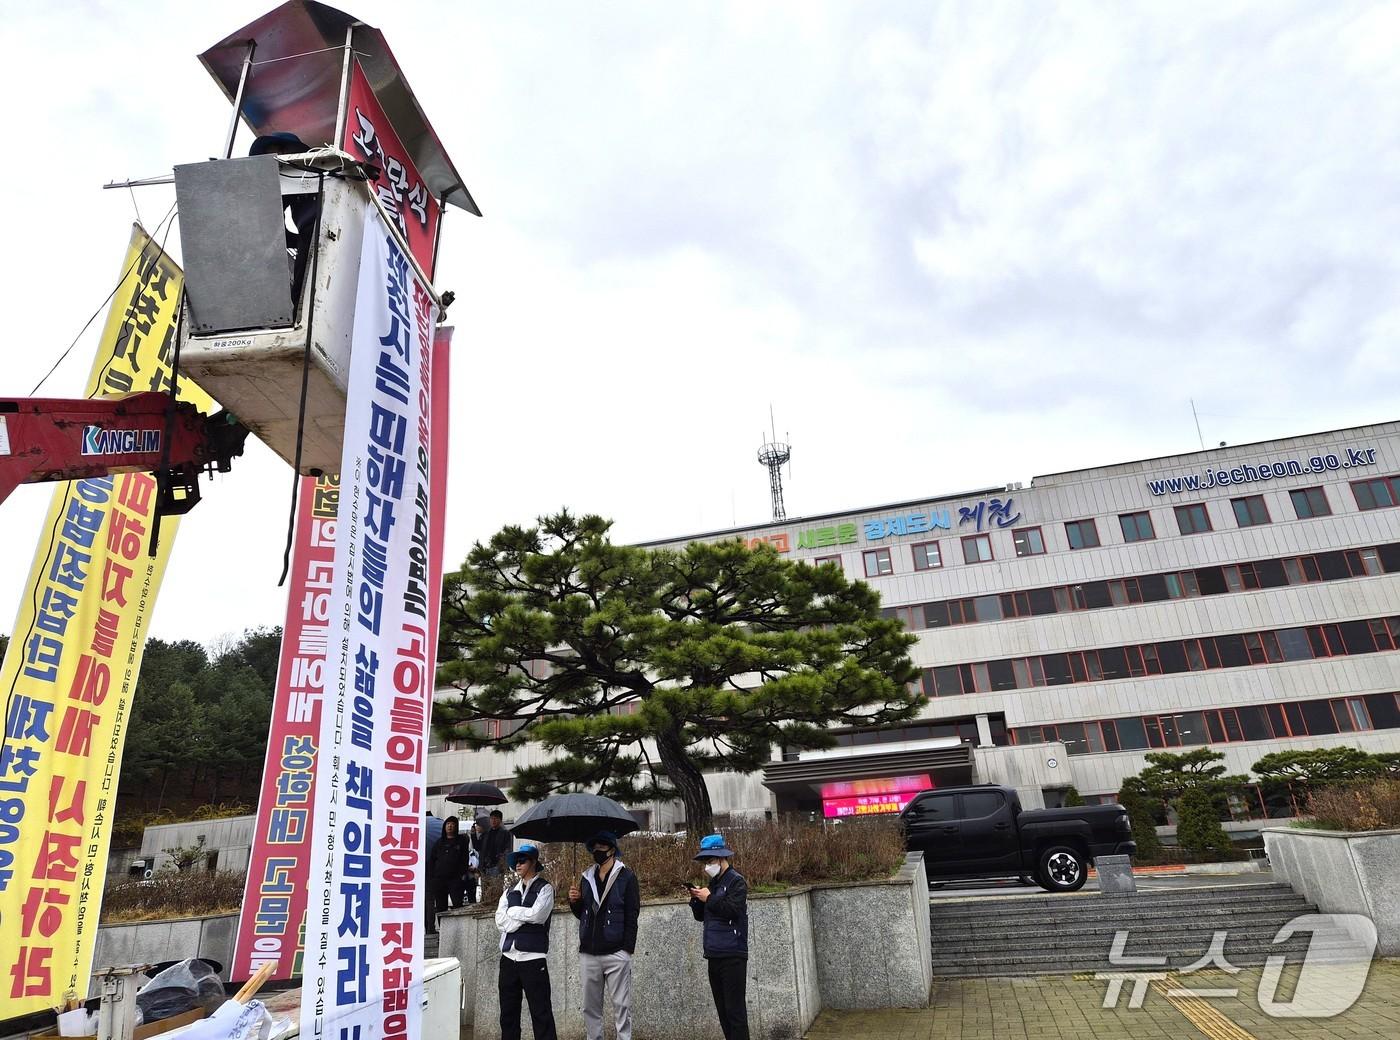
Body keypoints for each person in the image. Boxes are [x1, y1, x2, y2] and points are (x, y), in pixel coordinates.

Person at [567, 832, 640, 1040]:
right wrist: (575, 901)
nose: (597, 851)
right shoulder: (586, 877)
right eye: (594, 848)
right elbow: (582, 914)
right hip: (589, 952)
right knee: (590, 1007)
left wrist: (627, 949)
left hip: (617, 952)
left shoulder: (627, 877)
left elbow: (632, 914)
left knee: (621, 1006)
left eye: (601, 847)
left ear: (611, 850)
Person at [248, 131, 320, 309]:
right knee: (302, 293)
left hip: (327, 229)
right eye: (271, 155)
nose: (276, 158)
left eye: (279, 152)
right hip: (308, 237)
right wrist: (298, 240)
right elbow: (269, 221)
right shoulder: (282, 186)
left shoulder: (319, 171)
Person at [688, 833, 749, 1040]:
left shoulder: (736, 881)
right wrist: (697, 900)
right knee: (723, 1012)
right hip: (713, 954)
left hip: (733, 954)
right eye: (705, 862)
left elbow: (732, 910)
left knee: (735, 1013)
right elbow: (702, 916)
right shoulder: (713, 883)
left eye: (711, 861)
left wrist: (709, 898)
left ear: (722, 858)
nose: (707, 865)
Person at [495, 844, 557, 1040]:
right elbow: (500, 921)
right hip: (508, 958)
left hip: (533, 958)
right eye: (516, 862)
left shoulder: (545, 888)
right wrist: (522, 918)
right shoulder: (509, 891)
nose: (518, 865)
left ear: (533, 862)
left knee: (541, 1013)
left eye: (522, 860)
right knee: (508, 1015)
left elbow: (538, 915)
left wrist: (513, 913)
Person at [426, 815, 471, 934]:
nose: (450, 826)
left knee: (457, 905)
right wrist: (432, 877)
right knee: (441, 907)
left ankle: (458, 931)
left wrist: (462, 874)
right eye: (448, 824)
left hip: (455, 879)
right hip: (439, 880)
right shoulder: (439, 842)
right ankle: (444, 932)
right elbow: (432, 860)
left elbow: (464, 859)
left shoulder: (461, 841)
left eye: (452, 824)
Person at [479, 809, 513, 877]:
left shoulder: (505, 833)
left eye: (495, 818)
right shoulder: (486, 833)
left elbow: (507, 849)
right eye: (491, 818)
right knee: (485, 887)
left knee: (496, 887)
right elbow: (478, 847)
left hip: (497, 866)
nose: (493, 821)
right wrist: (473, 834)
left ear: (500, 820)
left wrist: (502, 863)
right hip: (485, 866)